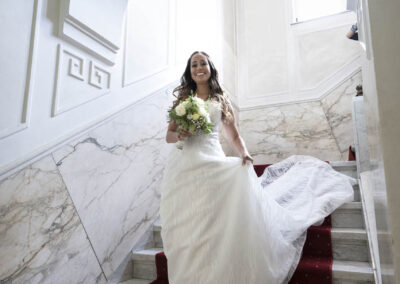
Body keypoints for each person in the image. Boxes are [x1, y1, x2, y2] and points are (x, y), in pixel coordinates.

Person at [160, 51, 355, 284]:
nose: (199, 67)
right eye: (194, 64)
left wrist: (245, 153)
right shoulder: (184, 101)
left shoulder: (221, 100)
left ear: (211, 68)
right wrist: (179, 134)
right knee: (190, 218)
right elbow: (169, 136)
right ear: (189, 71)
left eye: (203, 63)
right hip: (185, 165)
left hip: (211, 161)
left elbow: (233, 135)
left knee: (214, 217)